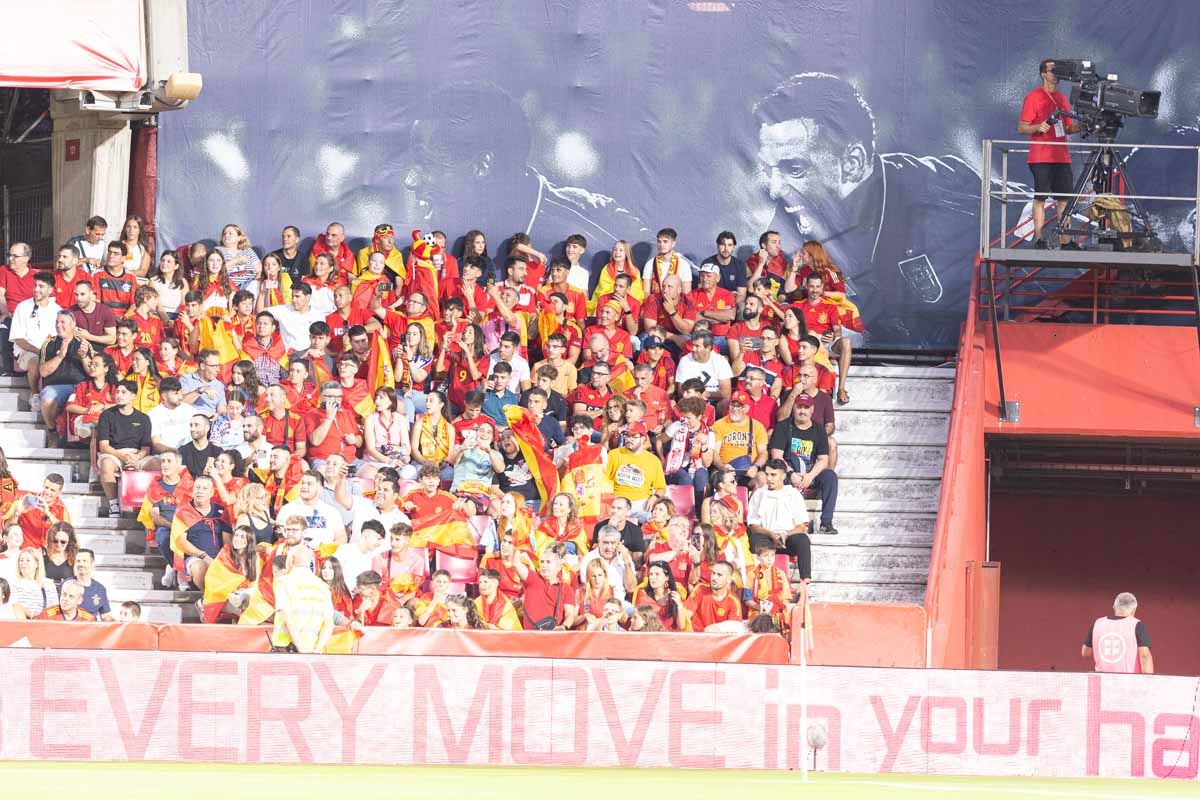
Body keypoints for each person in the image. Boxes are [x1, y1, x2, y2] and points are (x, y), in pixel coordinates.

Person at [754, 71, 985, 347]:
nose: (775, 189)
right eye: (769, 170)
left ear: (852, 163)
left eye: (794, 168)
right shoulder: (793, 217)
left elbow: (1028, 224)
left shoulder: (941, 198)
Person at [1019, 59, 1082, 250]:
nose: (1056, 73)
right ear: (1043, 74)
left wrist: (1083, 126)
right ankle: (1039, 238)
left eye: (1058, 70)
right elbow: (1022, 127)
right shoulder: (1033, 97)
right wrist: (1038, 126)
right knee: (1040, 197)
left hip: (1061, 156)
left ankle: (1065, 240)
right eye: (1052, 70)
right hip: (1041, 156)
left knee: (1063, 198)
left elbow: (1068, 128)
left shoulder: (1062, 98)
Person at [767, 394, 839, 535]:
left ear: (812, 410)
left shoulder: (819, 430)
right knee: (776, 475)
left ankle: (826, 522)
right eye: (799, 407)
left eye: (806, 408)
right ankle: (779, 522)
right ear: (793, 407)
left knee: (830, 476)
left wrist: (810, 476)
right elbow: (777, 457)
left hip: (809, 473)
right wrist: (791, 474)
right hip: (788, 472)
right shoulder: (783, 427)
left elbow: (823, 459)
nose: (802, 411)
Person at [746, 459, 811, 590]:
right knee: (754, 539)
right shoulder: (759, 494)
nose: (769, 478)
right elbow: (753, 525)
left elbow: (802, 526)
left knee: (803, 540)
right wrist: (771, 534)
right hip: (766, 538)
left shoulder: (794, 495)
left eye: (773, 475)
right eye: (767, 474)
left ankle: (805, 583)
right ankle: (757, 581)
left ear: (783, 475)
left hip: (788, 538)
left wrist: (785, 534)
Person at [95, 380, 155, 515]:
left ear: (133, 396)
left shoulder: (144, 418)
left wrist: (137, 457)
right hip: (114, 453)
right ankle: (113, 504)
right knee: (106, 464)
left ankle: (155, 503)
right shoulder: (106, 415)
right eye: (117, 392)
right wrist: (123, 457)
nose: (119, 395)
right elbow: (104, 446)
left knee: (158, 463)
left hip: (136, 455)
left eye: (123, 392)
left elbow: (146, 447)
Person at [36, 311, 91, 446]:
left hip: (79, 387)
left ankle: (82, 440)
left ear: (73, 325)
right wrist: (60, 356)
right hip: (55, 386)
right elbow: (43, 372)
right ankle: (52, 430)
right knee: (47, 398)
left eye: (62, 322)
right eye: (57, 322)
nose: (58, 325)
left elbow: (92, 372)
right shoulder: (49, 344)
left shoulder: (83, 343)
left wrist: (84, 357)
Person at [271, 544, 335, 653]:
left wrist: (300, 649)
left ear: (291, 559)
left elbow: (286, 616)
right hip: (312, 650)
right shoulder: (323, 586)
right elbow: (329, 624)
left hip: (286, 649)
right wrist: (317, 650)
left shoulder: (283, 582)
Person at [9, 270, 61, 392]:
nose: (36, 289)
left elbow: (59, 337)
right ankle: (35, 395)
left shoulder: (57, 310)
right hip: (27, 352)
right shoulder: (22, 307)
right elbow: (19, 340)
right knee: (35, 363)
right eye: (35, 285)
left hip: (50, 352)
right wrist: (40, 352)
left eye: (41, 286)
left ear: (50, 290)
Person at [605, 421, 666, 520]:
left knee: (655, 519)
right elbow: (604, 481)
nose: (629, 439)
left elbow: (661, 488)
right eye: (627, 436)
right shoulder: (614, 454)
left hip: (641, 503)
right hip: (618, 500)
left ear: (643, 439)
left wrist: (655, 497)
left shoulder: (653, 461)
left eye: (634, 436)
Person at [1083, 591, 1154, 674]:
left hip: (1102, 682)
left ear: (1114, 607)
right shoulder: (1136, 625)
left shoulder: (1098, 623)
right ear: (1134, 610)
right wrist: (1149, 681)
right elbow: (1144, 656)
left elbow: (1085, 652)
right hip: (1128, 682)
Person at [513, 541, 578, 630]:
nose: (544, 565)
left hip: (554, 636)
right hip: (530, 637)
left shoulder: (566, 589)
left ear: (558, 564)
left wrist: (564, 626)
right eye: (542, 562)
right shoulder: (533, 579)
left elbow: (570, 614)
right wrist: (519, 544)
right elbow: (516, 564)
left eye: (548, 562)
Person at [276, 471, 347, 547]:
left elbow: (342, 538)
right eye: (303, 483)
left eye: (309, 484)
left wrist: (325, 551)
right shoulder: (287, 509)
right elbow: (281, 538)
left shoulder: (331, 512)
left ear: (320, 489)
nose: (304, 486)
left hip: (325, 556)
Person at [578, 525, 638, 604]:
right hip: (596, 603)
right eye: (605, 543)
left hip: (620, 604)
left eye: (613, 543)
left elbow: (631, 588)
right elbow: (587, 587)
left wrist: (626, 561)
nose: (609, 547)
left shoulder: (625, 556)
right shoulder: (589, 558)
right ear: (599, 541)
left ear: (619, 543)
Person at [0, 242, 35, 377]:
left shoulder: (35, 276)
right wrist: (6, 312)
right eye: (9, 255)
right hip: (9, 314)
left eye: (15, 256)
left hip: (29, 318)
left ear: (26, 258)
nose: (10, 259)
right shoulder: (4, 270)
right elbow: (0, 295)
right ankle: (7, 370)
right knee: (3, 331)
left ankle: (25, 369)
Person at [72, 548, 114, 621]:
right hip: (71, 627)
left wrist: (121, 624)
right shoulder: (67, 585)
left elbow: (105, 616)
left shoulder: (100, 589)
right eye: (78, 561)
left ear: (92, 564)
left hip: (91, 629)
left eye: (85, 561)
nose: (81, 564)